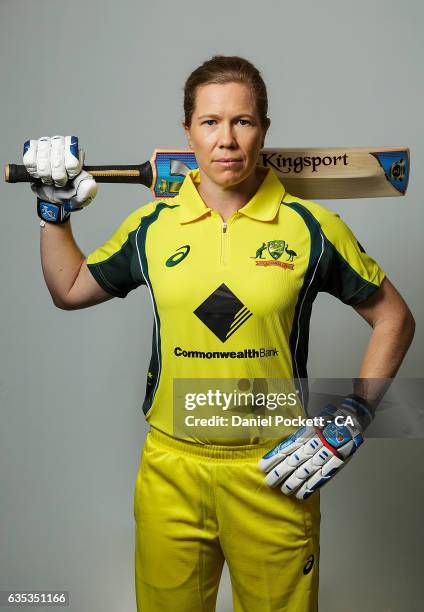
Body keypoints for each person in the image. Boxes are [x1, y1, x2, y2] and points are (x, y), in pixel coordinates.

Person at [24, 55, 415, 612]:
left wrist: (356, 411)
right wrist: (52, 215)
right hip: (171, 471)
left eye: (243, 121)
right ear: (187, 131)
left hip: (275, 472)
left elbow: (395, 317)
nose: (226, 139)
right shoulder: (151, 227)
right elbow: (69, 290)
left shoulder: (311, 228)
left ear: (264, 130)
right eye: (210, 122)